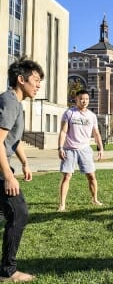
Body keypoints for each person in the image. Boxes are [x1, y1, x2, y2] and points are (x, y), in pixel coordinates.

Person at [0, 57, 44, 282]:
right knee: (19, 213)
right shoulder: (9, 102)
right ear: (20, 79)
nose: (38, 85)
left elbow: (12, 141)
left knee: (12, 213)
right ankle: (8, 270)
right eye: (35, 80)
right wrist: (8, 175)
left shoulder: (16, 103)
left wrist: (25, 162)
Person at [58, 89, 104, 212]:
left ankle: (95, 199)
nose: (84, 101)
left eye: (87, 99)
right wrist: (60, 147)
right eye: (82, 99)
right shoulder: (69, 113)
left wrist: (100, 147)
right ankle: (62, 205)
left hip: (85, 149)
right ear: (76, 99)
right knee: (67, 176)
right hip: (69, 149)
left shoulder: (92, 116)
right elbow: (63, 131)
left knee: (91, 176)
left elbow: (96, 133)